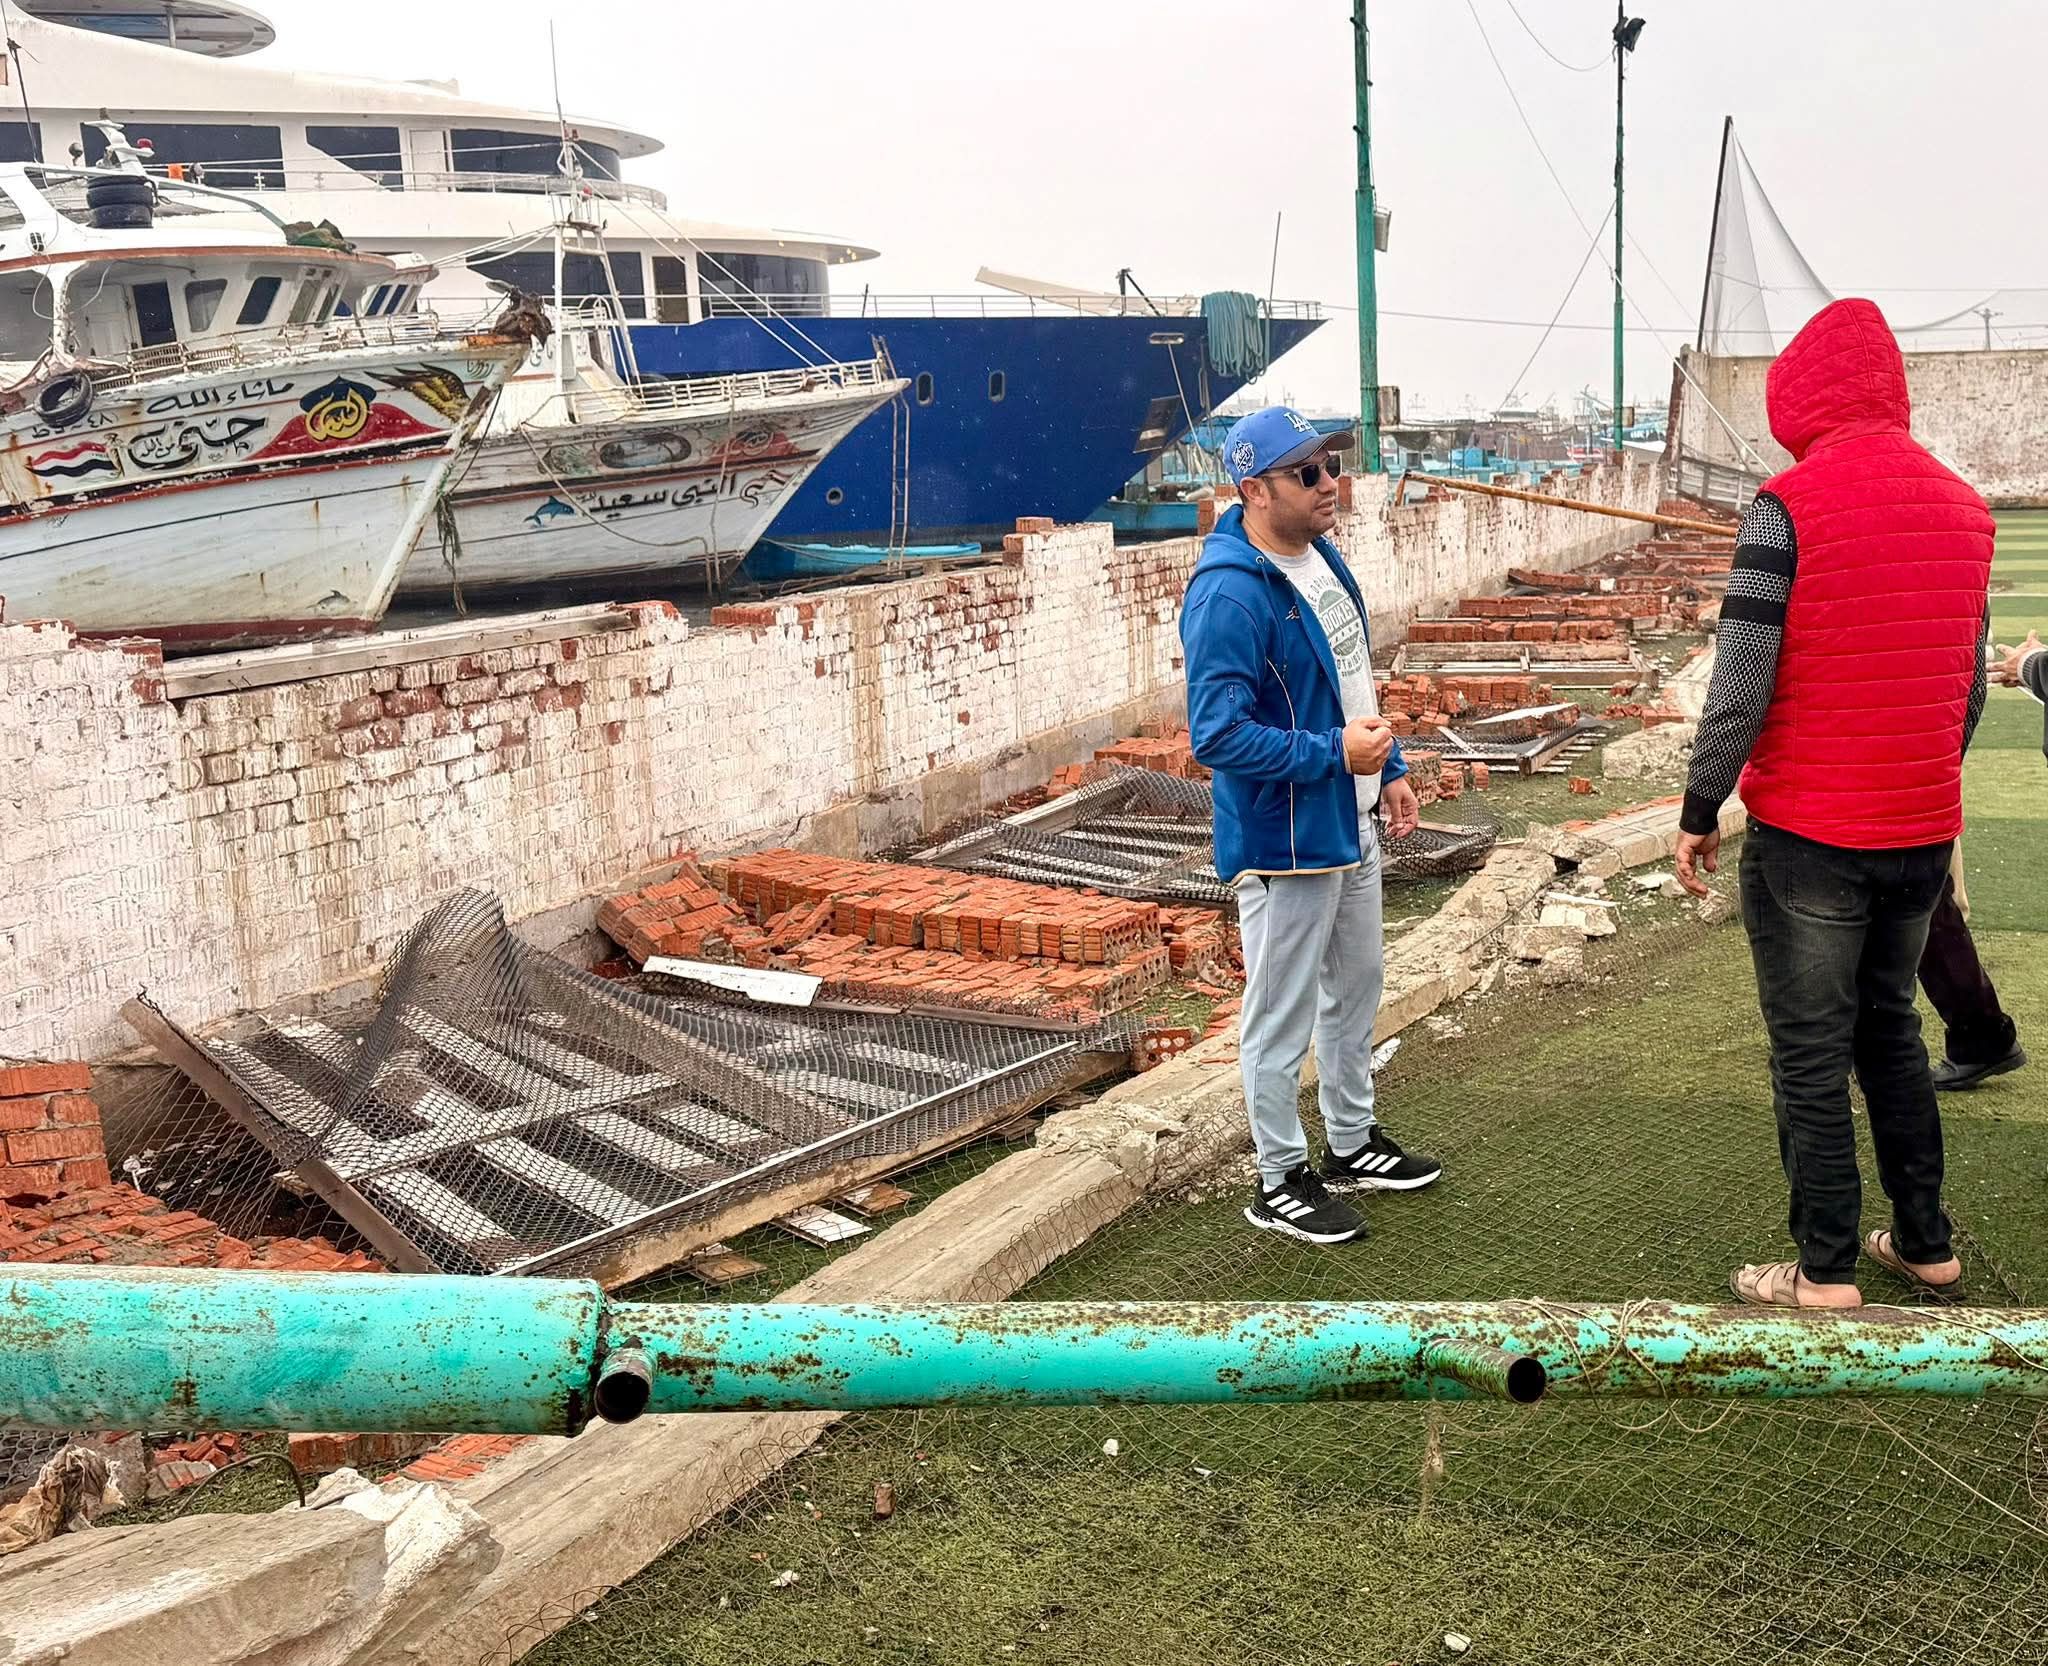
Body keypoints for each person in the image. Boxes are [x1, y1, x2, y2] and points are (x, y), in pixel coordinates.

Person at [1673, 298, 1992, 1310]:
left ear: (1799, 393)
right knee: (1889, 1030)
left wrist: (1696, 805)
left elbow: (1739, 682)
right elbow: (1966, 684)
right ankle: (1924, 1243)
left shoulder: (1784, 506)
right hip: (1916, 828)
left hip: (1810, 835)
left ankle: (1820, 1272)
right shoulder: (1964, 505)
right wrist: (1922, 773)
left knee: (1809, 1054)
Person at [1181, 406, 1440, 1247]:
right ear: (1253, 489)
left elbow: (1350, 680)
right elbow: (1216, 736)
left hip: (1347, 817)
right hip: (1285, 838)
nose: (1330, 484)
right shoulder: (1229, 593)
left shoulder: (1320, 557)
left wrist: (1388, 771)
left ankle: (1353, 1143)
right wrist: (1337, 754)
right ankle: (1278, 1176)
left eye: (1330, 465)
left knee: (1356, 990)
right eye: (1308, 473)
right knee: (1280, 1014)